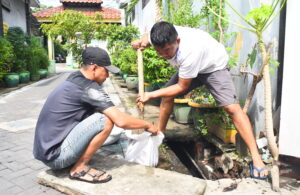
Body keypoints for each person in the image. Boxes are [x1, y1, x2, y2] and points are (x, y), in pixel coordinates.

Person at [131, 21, 268, 179]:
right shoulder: (159, 36)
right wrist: (140, 42)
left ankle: (257, 159)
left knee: (232, 109)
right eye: (158, 51)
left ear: (178, 41)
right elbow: (145, 38)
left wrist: (151, 94)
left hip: (213, 67)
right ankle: (159, 137)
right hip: (190, 69)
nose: (164, 55)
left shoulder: (190, 50)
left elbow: (182, 87)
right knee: (167, 96)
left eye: (167, 50)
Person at [33, 47, 158, 184]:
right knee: (105, 120)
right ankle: (79, 168)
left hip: (47, 152)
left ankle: (77, 160)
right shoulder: (89, 88)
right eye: (106, 71)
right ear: (94, 68)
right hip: (56, 157)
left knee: (99, 113)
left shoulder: (75, 78)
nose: (108, 76)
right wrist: (148, 125)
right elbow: (120, 120)